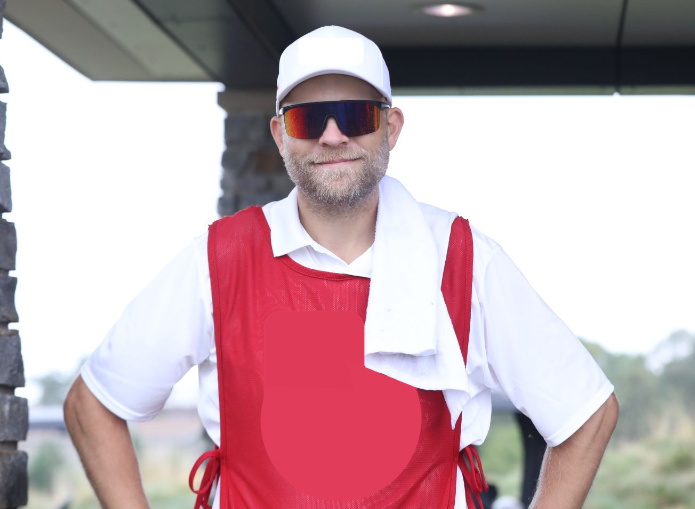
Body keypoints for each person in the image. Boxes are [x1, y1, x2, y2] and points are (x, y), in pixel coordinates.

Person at [64, 25, 619, 509]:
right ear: (282, 135)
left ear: (392, 127)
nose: (334, 135)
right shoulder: (220, 258)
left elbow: (587, 412)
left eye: (356, 114)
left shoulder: (462, 259)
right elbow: (93, 406)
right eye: (309, 119)